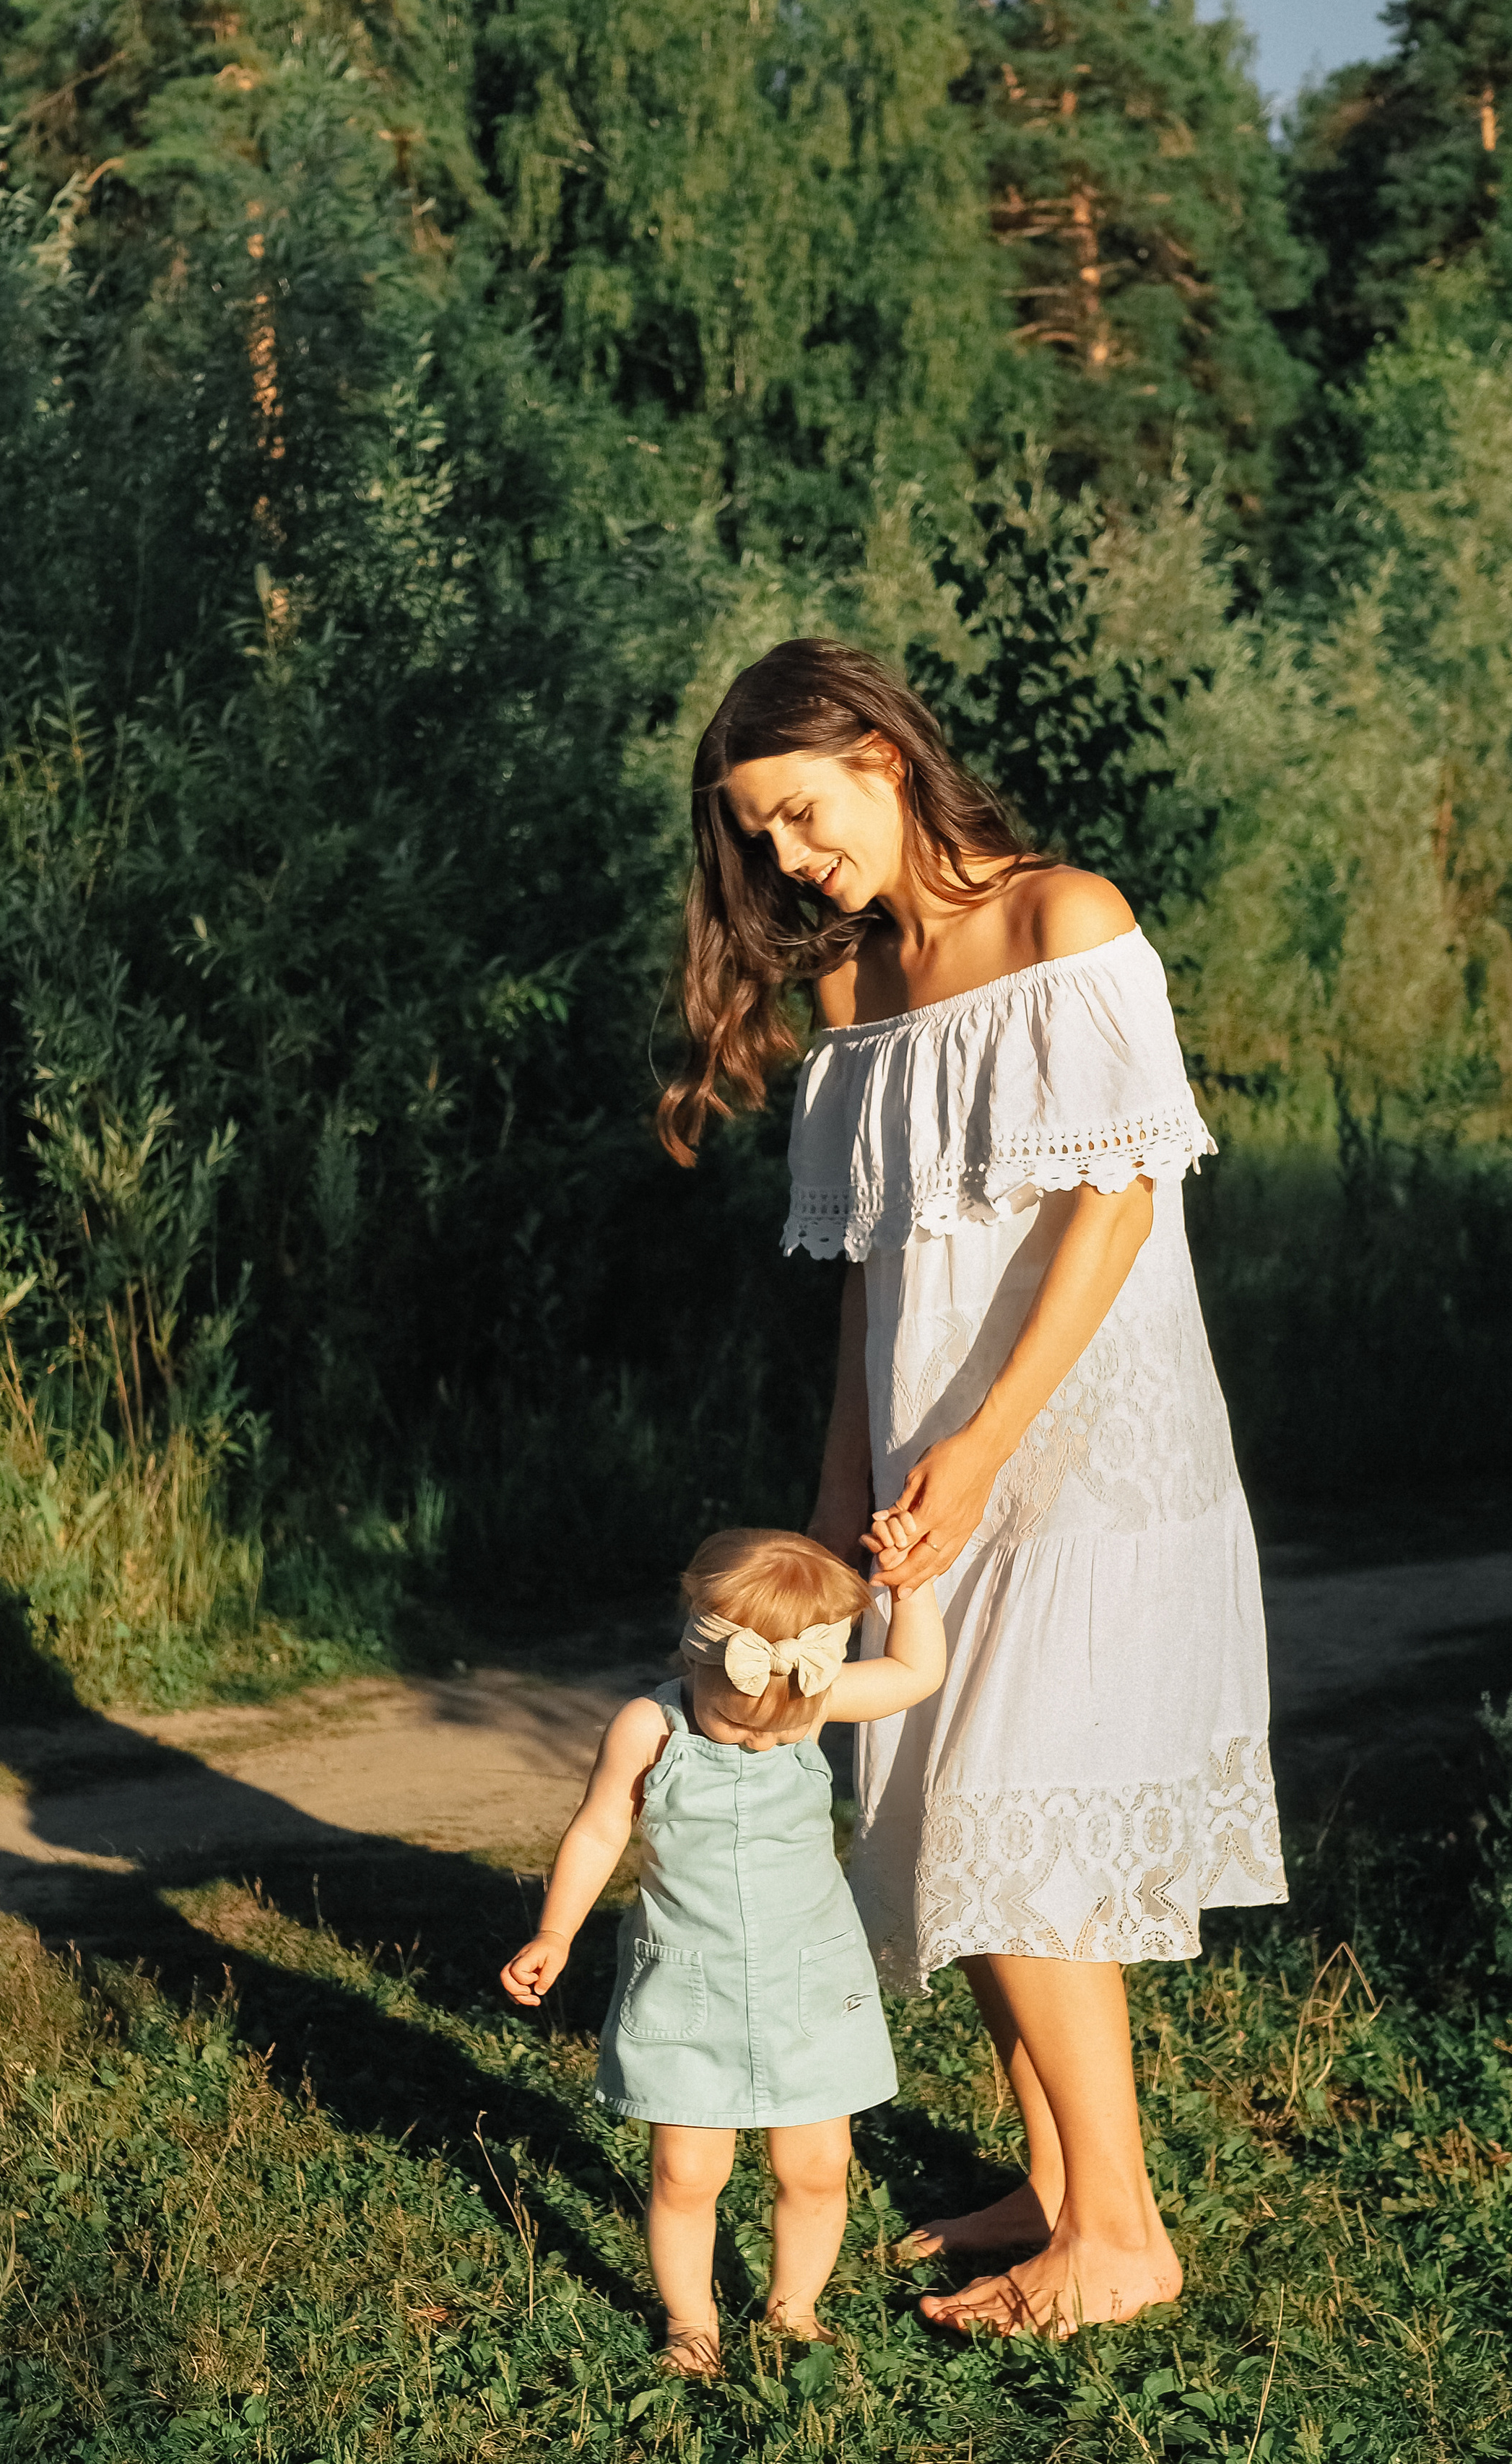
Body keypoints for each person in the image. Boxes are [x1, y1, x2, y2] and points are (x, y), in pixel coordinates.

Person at [657, 637, 1286, 2340]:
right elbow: (867, 1278)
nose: (786, 860)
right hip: (921, 1475)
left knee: (1021, 1823)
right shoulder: (854, 997)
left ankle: (1123, 2237)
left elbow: (1118, 1203)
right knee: (946, 1808)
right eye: (755, 838)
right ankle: (1051, 2185)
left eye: (796, 812)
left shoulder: (1064, 920)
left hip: (1083, 1449)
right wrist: (827, 1515)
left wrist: (988, 1439)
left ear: (875, 750)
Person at [501, 1525, 945, 2377]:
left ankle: (792, 2308)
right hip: (689, 1987)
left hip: (809, 1983)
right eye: (736, 1723)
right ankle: (690, 2324)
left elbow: (912, 1674)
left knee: (818, 2167)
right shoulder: (649, 1724)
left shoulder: (805, 1697)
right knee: (683, 2173)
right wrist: (555, 1929)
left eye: (774, 1734)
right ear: (695, 1652)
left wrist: (910, 1589)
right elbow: (599, 1829)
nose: (756, 1738)